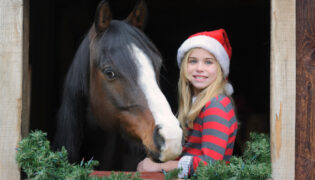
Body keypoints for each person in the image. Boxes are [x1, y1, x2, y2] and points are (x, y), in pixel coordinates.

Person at [137, 29, 238, 178]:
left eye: (208, 62)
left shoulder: (216, 105)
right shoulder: (199, 103)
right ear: (184, 66)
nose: (199, 68)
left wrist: (159, 166)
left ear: (220, 69)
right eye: (193, 61)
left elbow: (211, 164)